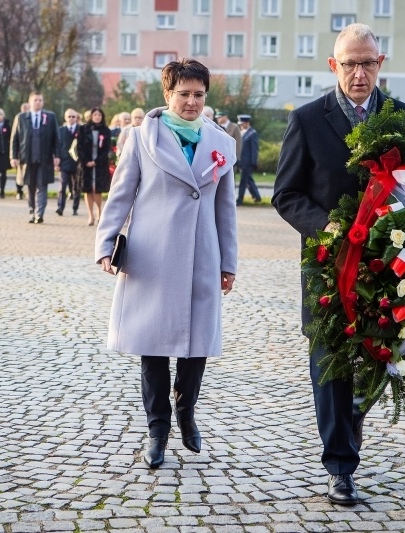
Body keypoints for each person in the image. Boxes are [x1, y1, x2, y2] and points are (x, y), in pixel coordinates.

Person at [273, 23, 405, 506]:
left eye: (368, 63)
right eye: (350, 63)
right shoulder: (308, 119)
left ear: (381, 64)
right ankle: (340, 465)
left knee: (383, 356)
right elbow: (286, 194)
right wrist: (333, 232)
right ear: (333, 66)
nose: (359, 73)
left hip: (389, 263)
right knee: (331, 364)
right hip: (328, 267)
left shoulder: (402, 116)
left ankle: (352, 418)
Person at [94, 58, 237, 470]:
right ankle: (157, 431)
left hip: (202, 255)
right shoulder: (141, 138)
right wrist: (106, 243)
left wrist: (229, 261)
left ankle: (186, 411)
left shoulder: (221, 142)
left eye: (199, 95)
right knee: (152, 350)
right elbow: (121, 193)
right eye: (184, 94)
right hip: (153, 255)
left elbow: (225, 210)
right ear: (168, 95)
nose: (192, 102)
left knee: (197, 348)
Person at [10, 91, 60, 224]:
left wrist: (57, 155)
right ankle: (32, 211)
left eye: (40, 100)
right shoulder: (21, 118)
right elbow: (14, 138)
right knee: (30, 186)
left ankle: (40, 213)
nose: (38, 102)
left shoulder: (50, 117)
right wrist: (13, 156)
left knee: (42, 186)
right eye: (36, 100)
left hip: (44, 158)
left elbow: (56, 138)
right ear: (30, 102)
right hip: (27, 159)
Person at [78, 107, 112, 226]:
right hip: (86, 165)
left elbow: (106, 149)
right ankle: (90, 216)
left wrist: (96, 161)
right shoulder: (83, 129)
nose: (97, 116)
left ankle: (99, 212)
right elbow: (80, 147)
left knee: (96, 189)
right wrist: (86, 161)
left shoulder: (106, 131)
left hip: (100, 165)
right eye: (95, 114)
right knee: (88, 190)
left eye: (99, 115)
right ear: (91, 116)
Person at [56, 108, 80, 217]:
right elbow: (57, 146)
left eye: (73, 116)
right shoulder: (60, 130)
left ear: (76, 118)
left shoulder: (81, 130)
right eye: (69, 116)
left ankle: (75, 208)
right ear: (65, 118)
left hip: (77, 163)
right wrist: (56, 161)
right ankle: (60, 207)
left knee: (76, 187)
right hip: (63, 162)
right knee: (62, 186)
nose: (71, 118)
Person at [236, 114, 261, 205]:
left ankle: (239, 200)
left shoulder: (252, 133)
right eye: (240, 124)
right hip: (241, 161)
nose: (241, 125)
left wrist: (253, 163)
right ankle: (257, 197)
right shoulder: (242, 132)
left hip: (248, 162)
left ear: (247, 123)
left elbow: (254, 149)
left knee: (243, 181)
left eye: (242, 124)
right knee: (249, 180)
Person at [11, 102, 31, 200]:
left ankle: (30, 192)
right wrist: (14, 155)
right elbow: (15, 137)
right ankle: (19, 191)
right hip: (21, 152)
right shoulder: (19, 118)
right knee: (20, 174)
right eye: (24, 108)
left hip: (32, 153)